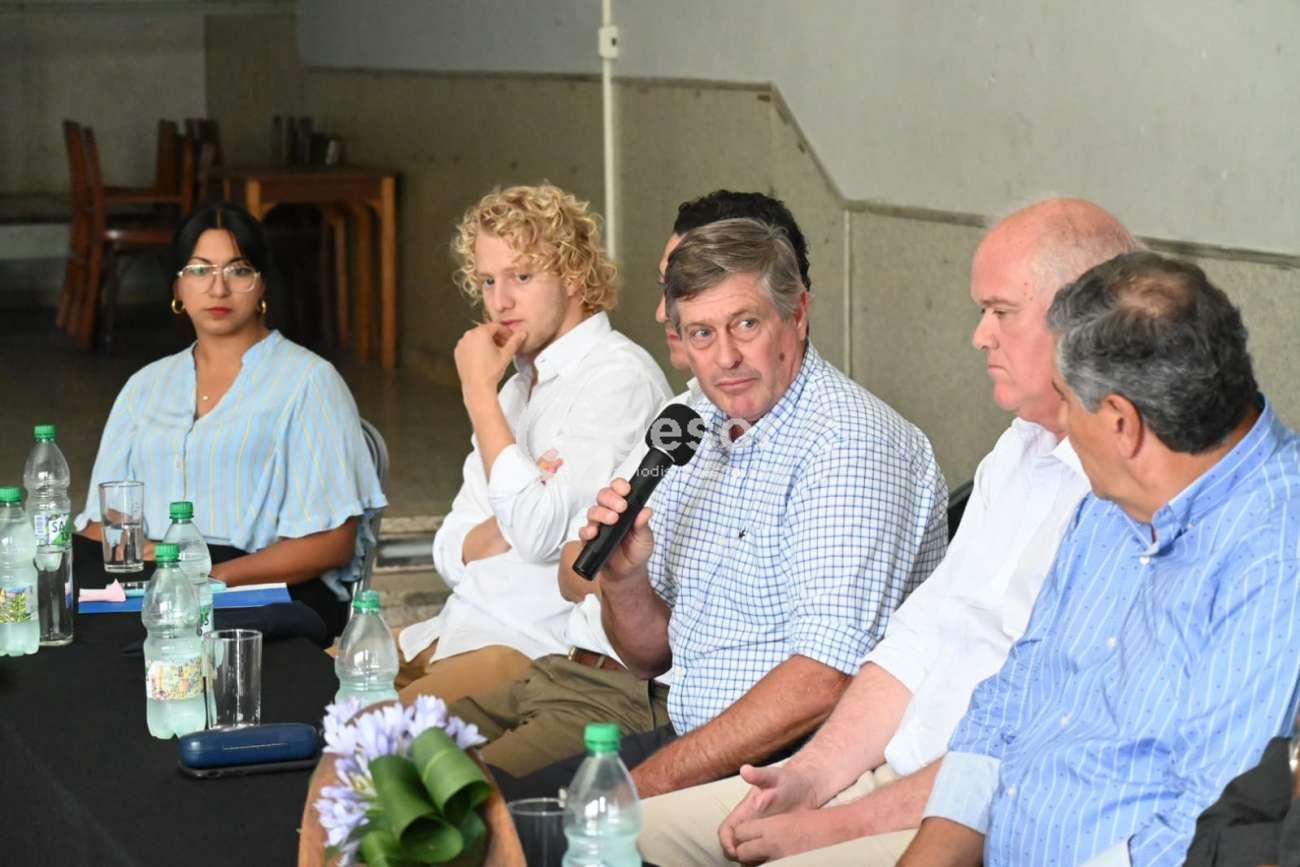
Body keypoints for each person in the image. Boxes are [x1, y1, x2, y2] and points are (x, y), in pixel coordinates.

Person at [635, 197, 1140, 866]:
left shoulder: (1130, 490)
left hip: (979, 813)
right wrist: (807, 779)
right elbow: (918, 639)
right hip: (879, 768)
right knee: (603, 834)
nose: (979, 337)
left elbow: (1024, 739)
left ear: (1085, 320)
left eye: (1000, 312)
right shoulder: (1017, 449)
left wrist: (836, 824)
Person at [497, 216, 948, 803]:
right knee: (481, 815)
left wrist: (636, 790)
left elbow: (822, 681)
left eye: (746, 324)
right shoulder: (699, 424)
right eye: (703, 334)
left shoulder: (847, 443)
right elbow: (650, 655)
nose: (727, 357)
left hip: (790, 768)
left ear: (797, 314)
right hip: (694, 732)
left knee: (530, 832)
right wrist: (625, 581)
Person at [901, 251, 1300, 866]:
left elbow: (1211, 829)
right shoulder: (1115, 495)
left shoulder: (1276, 557)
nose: (1059, 422)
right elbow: (1012, 695)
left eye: (1065, 400)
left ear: (1121, 424)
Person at [443, 191, 814, 778]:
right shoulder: (685, 416)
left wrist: (477, 399)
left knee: (443, 791)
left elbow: (546, 542)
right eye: (670, 289)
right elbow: (567, 566)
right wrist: (620, 574)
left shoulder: (833, 442)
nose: (663, 312)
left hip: (605, 684)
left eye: (689, 289)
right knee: (371, 753)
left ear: (791, 309)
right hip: (569, 666)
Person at [394, 184, 670, 704]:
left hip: (524, 654)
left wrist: (477, 395)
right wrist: (515, 507)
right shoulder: (517, 388)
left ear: (575, 275)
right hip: (450, 632)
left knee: (356, 735)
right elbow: (449, 551)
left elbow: (541, 536)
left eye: (522, 276)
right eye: (487, 281)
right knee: (304, 685)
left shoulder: (618, 378)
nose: (500, 302)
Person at [75, 201, 386, 638]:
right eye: (199, 270)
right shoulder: (144, 386)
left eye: (238, 271)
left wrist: (212, 576)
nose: (217, 288)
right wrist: (159, 567)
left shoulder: (309, 382)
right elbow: (99, 527)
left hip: (263, 592)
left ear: (262, 285)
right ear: (178, 286)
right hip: (153, 587)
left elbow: (333, 543)